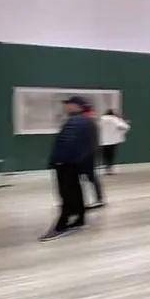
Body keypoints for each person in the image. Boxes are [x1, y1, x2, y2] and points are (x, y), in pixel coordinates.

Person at [39, 96, 94, 242]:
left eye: (69, 104)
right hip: (73, 164)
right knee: (75, 191)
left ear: (77, 106)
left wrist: (58, 161)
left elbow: (67, 143)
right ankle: (79, 219)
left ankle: (62, 226)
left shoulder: (76, 121)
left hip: (66, 164)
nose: (66, 107)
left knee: (67, 194)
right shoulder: (84, 120)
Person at [79, 102, 104, 208]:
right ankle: (98, 199)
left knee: (89, 177)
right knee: (90, 177)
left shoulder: (88, 122)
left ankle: (96, 199)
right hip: (90, 153)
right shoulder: (92, 121)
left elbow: (87, 141)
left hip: (86, 154)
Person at [99, 109, 130, 175]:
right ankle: (110, 169)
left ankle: (106, 169)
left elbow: (97, 127)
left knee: (105, 155)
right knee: (111, 155)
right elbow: (125, 127)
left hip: (103, 141)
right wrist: (120, 132)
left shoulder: (101, 119)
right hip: (113, 141)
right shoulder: (115, 119)